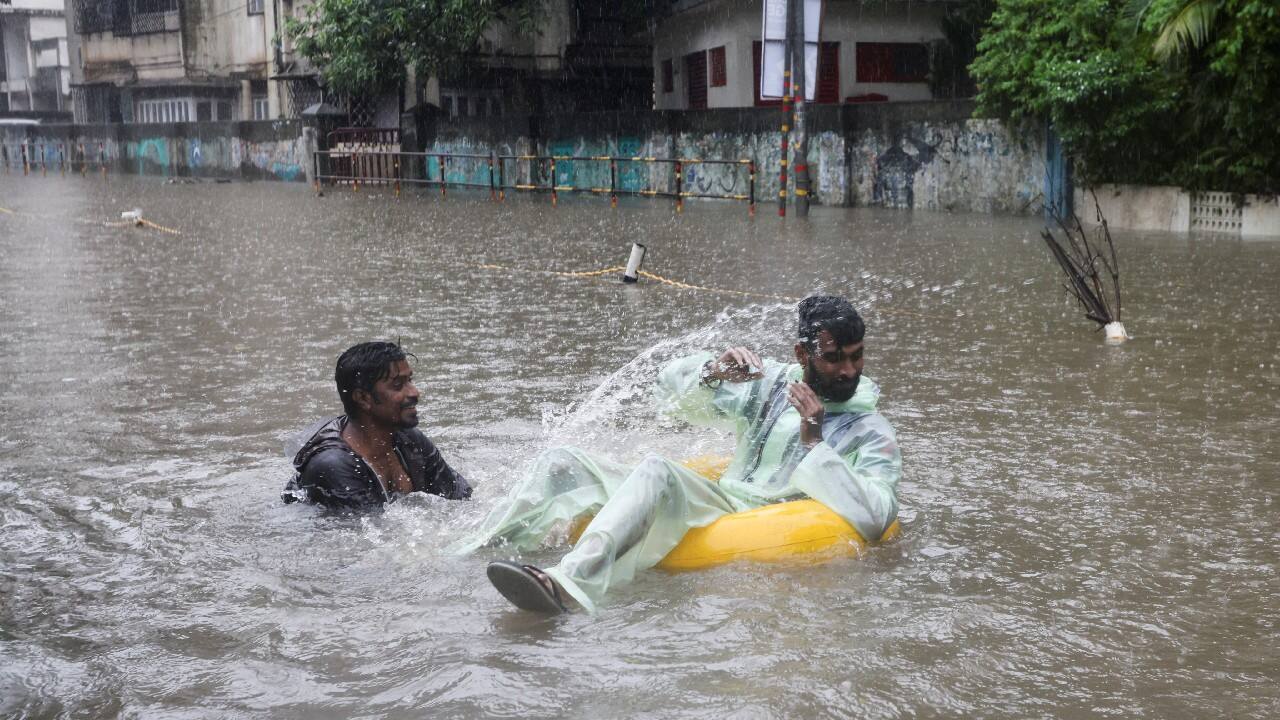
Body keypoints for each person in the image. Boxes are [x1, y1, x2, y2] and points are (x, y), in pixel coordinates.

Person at [453, 296, 901, 614]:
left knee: (657, 470)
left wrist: (814, 443)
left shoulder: (869, 429)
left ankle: (565, 586)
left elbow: (879, 516)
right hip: (722, 496)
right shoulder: (771, 383)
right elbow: (667, 398)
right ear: (802, 353)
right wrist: (712, 373)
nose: (849, 370)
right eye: (834, 358)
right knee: (563, 461)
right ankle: (473, 549)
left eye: (856, 357)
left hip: (761, 514)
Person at [283, 341, 471, 510]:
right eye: (398, 385)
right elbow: (369, 538)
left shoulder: (408, 438)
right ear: (363, 398)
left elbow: (460, 496)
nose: (415, 392)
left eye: (410, 381)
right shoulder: (332, 466)